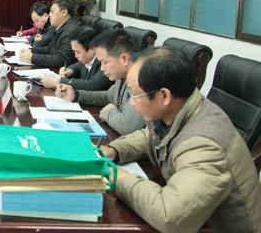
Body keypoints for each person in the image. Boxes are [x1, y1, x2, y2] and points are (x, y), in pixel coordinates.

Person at [101, 47, 261, 233]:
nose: (131, 102)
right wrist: (114, 150)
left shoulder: (205, 144)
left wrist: (117, 176)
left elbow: (170, 217)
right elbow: (150, 135)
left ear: (164, 96)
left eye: (135, 95)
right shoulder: (181, 108)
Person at [55, 28, 144, 135]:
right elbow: (108, 96)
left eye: (105, 62)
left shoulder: (141, 80)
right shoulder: (122, 75)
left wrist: (109, 112)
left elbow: (127, 126)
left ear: (124, 59)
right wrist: (75, 95)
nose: (102, 68)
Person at [39, 26, 112, 91]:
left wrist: (56, 82)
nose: (76, 56)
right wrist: (69, 71)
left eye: (78, 52)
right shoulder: (87, 59)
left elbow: (91, 85)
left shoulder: (105, 63)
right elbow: (77, 66)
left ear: (92, 50)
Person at [19, 0, 79, 68]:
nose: (49, 14)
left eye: (52, 11)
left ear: (64, 12)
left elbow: (62, 60)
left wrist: (32, 58)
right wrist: (31, 51)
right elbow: (49, 49)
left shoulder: (71, 31)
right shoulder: (61, 28)